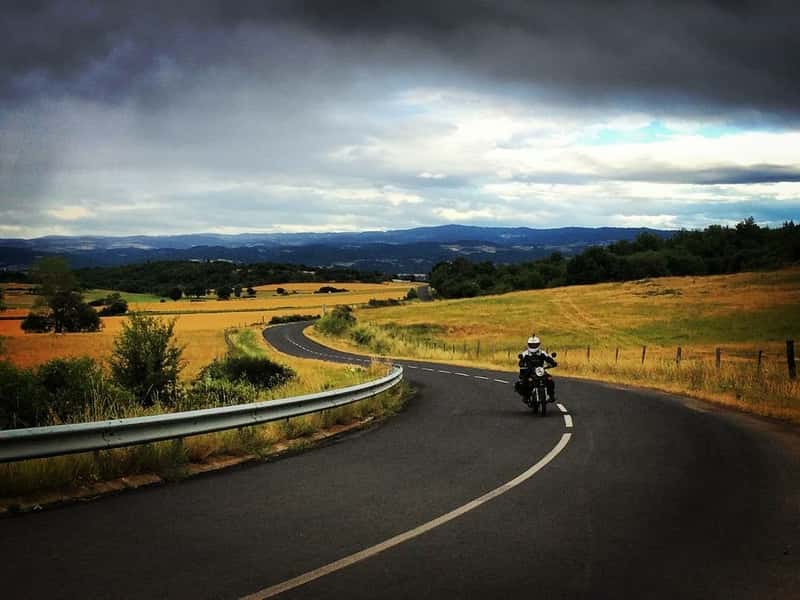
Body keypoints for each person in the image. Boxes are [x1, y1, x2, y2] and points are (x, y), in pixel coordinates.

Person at [518, 335, 557, 401]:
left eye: (535, 345)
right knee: (525, 381)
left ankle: (551, 395)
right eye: (532, 345)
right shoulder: (525, 353)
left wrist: (553, 363)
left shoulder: (542, 353)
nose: (533, 346)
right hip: (529, 371)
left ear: (538, 345)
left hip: (540, 370)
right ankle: (526, 396)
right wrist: (522, 364)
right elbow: (521, 362)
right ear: (528, 345)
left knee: (550, 380)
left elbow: (548, 358)